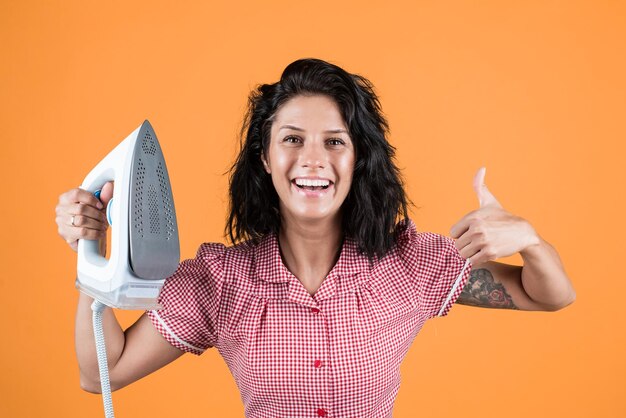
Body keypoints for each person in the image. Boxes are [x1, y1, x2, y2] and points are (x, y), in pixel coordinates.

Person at [55, 58, 576, 417]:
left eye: (334, 141)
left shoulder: (409, 264)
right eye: (292, 139)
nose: (312, 159)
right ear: (265, 158)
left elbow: (549, 293)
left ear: (357, 160)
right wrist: (92, 256)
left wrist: (530, 240)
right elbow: (105, 370)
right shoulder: (220, 281)